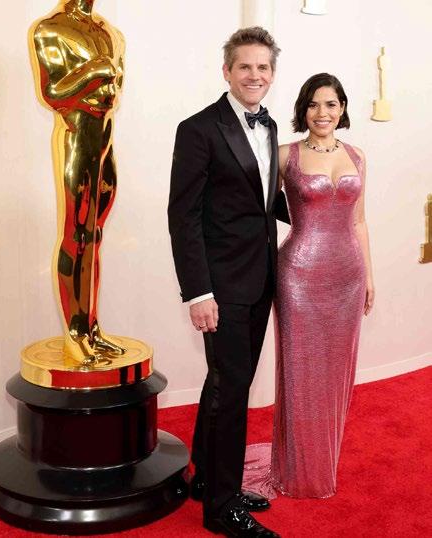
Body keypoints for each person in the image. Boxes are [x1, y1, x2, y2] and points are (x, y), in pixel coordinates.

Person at [168, 27, 289, 537]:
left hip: (260, 279)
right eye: (245, 66)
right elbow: (183, 217)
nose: (254, 75)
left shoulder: (271, 125)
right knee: (232, 392)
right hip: (220, 288)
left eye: (263, 67)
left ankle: (206, 478)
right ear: (227, 71)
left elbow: (260, 202)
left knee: (223, 383)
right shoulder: (198, 129)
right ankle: (223, 507)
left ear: (272, 74)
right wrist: (198, 292)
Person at [243, 73, 375, 499]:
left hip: (348, 275)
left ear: (342, 108)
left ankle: (323, 460)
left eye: (331, 104)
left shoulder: (357, 156)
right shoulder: (286, 154)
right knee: (301, 372)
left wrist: (370, 276)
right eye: (314, 104)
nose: (323, 113)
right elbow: (257, 211)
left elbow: (359, 221)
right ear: (303, 109)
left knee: (337, 371)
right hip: (298, 275)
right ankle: (296, 468)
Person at [29, 0, 125, 364]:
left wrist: (104, 75)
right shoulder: (50, 29)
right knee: (77, 234)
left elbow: (115, 89)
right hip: (76, 130)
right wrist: (93, 70)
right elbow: (52, 93)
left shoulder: (110, 32)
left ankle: (91, 328)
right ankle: (74, 332)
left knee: (95, 234)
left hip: (104, 135)